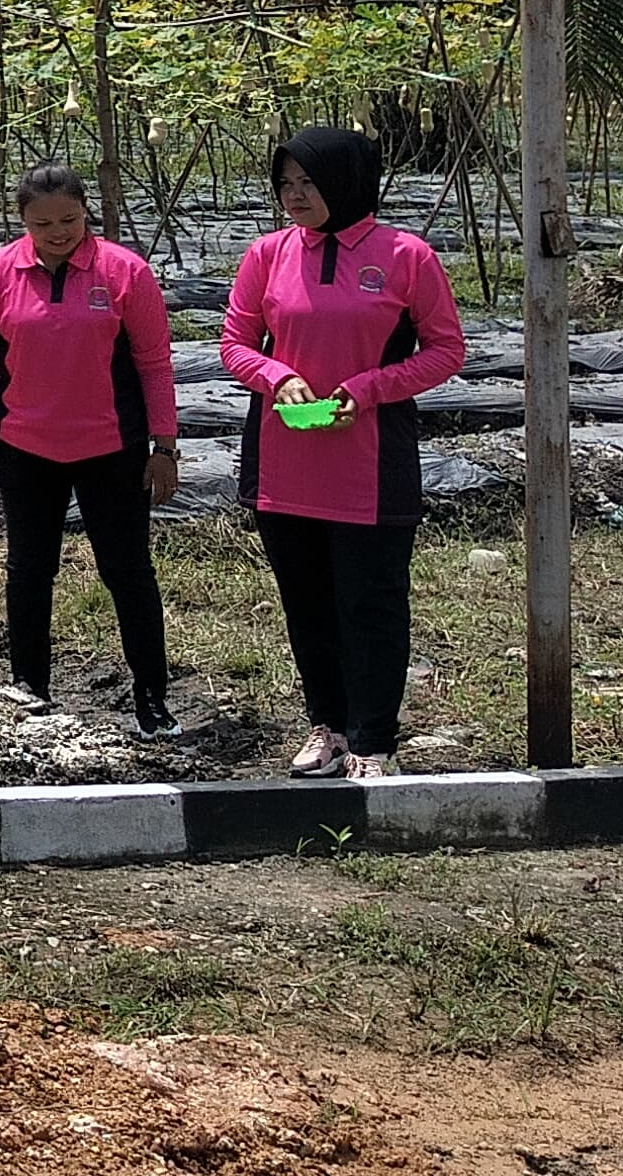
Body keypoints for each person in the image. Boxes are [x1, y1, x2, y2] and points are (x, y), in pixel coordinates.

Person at [222, 125, 462, 780]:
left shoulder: (406, 256)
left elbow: (446, 349)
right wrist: (276, 377)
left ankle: (374, 737)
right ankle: (325, 725)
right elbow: (235, 343)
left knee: (371, 601)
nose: (295, 195)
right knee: (307, 602)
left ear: (347, 183)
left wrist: (370, 388)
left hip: (369, 459)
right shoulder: (266, 255)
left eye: (309, 182)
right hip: (286, 456)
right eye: (286, 183)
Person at [0, 163, 183, 737]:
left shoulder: (126, 272)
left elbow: (154, 364)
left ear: (88, 213)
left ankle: (152, 695)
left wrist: (165, 446)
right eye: (43, 223)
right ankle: (29, 688)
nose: (59, 232)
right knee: (29, 569)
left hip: (112, 445)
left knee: (127, 570)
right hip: (25, 445)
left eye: (71, 220)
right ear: (21, 222)